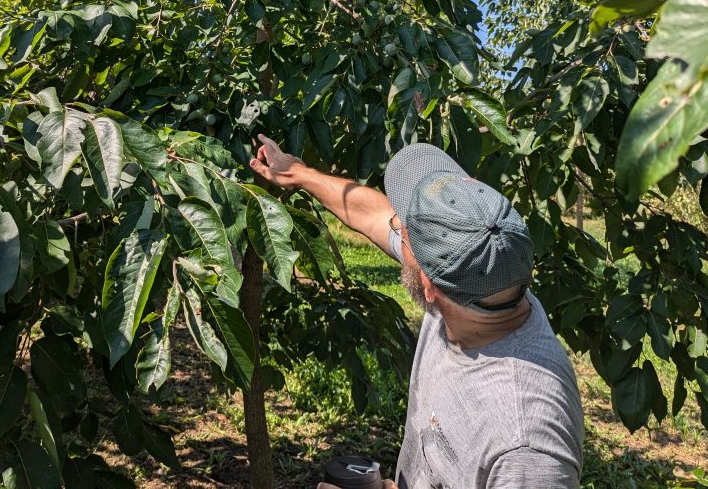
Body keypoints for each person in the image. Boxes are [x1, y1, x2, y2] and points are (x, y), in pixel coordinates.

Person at [248, 135, 584, 489]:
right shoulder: (492, 282)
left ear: (428, 285)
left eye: (403, 232)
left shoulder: (525, 448)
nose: (393, 226)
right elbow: (374, 214)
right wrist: (297, 173)